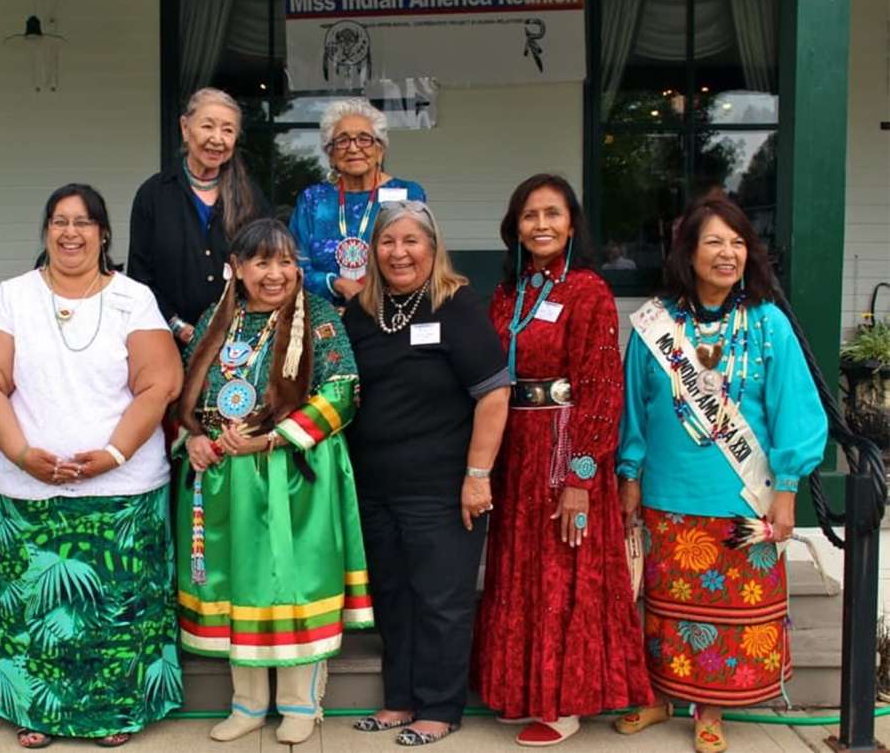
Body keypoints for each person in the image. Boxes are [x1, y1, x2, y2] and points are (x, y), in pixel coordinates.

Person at [0, 183, 184, 749]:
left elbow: (160, 382)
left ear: (103, 233)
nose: (70, 233)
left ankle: (117, 709)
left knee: (118, 611)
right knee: (35, 609)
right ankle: (35, 713)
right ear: (45, 231)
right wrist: (21, 453)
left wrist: (113, 454)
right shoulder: (13, 296)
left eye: (83, 223)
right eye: (59, 222)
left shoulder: (134, 297)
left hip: (124, 488)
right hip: (27, 486)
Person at [615, 197, 827, 753]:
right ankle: (658, 697)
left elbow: (796, 411)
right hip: (667, 493)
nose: (726, 253)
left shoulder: (766, 323)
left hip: (742, 499)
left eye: (736, 243)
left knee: (727, 615)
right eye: (713, 242)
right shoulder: (656, 326)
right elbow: (633, 407)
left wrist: (786, 491)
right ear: (689, 252)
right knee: (662, 608)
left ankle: (709, 708)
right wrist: (629, 475)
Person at [472, 174, 653, 746]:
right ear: (515, 228)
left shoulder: (588, 290)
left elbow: (601, 387)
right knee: (518, 570)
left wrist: (581, 475)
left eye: (553, 213)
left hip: (565, 449)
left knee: (561, 572)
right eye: (530, 216)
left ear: (572, 223)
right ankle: (521, 690)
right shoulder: (508, 294)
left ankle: (564, 703)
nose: (541, 225)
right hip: (513, 448)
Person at [176, 218, 373, 746]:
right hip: (223, 476)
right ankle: (246, 703)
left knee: (288, 583)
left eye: (285, 261)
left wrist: (272, 439)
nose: (276, 273)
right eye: (261, 262)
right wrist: (191, 436)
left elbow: (342, 393)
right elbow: (185, 392)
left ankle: (299, 703)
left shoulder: (321, 319)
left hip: (290, 476)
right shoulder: (216, 321)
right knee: (238, 584)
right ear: (236, 269)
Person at [343, 201, 511, 746]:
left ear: (433, 248)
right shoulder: (362, 313)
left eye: (412, 241)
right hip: (376, 487)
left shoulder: (456, 306)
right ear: (373, 251)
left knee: (441, 598)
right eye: (388, 242)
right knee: (393, 594)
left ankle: (440, 708)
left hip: (442, 487)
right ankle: (399, 700)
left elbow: (494, 394)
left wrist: (478, 474)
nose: (399, 253)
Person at [128, 87, 268, 346]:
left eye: (227, 130)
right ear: (185, 127)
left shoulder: (250, 196)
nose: (217, 139)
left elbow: (266, 267)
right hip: (167, 339)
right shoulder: (154, 195)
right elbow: (139, 279)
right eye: (208, 126)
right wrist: (177, 325)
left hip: (239, 342)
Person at [289, 99, 427, 306]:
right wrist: (337, 283)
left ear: (380, 149)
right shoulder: (313, 200)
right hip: (325, 319)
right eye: (342, 141)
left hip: (391, 310)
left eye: (364, 139)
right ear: (330, 154)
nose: (353, 148)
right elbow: (293, 265)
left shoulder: (407, 193)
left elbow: (421, 256)